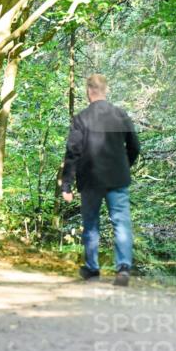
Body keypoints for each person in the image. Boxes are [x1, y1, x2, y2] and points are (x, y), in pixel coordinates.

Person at [61, 74, 140, 287]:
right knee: (121, 223)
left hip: (90, 179)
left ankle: (92, 269)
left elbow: (72, 153)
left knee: (91, 225)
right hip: (118, 178)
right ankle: (123, 269)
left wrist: (66, 184)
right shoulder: (120, 115)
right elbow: (135, 147)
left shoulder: (81, 118)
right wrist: (124, 166)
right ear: (106, 90)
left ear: (88, 91)